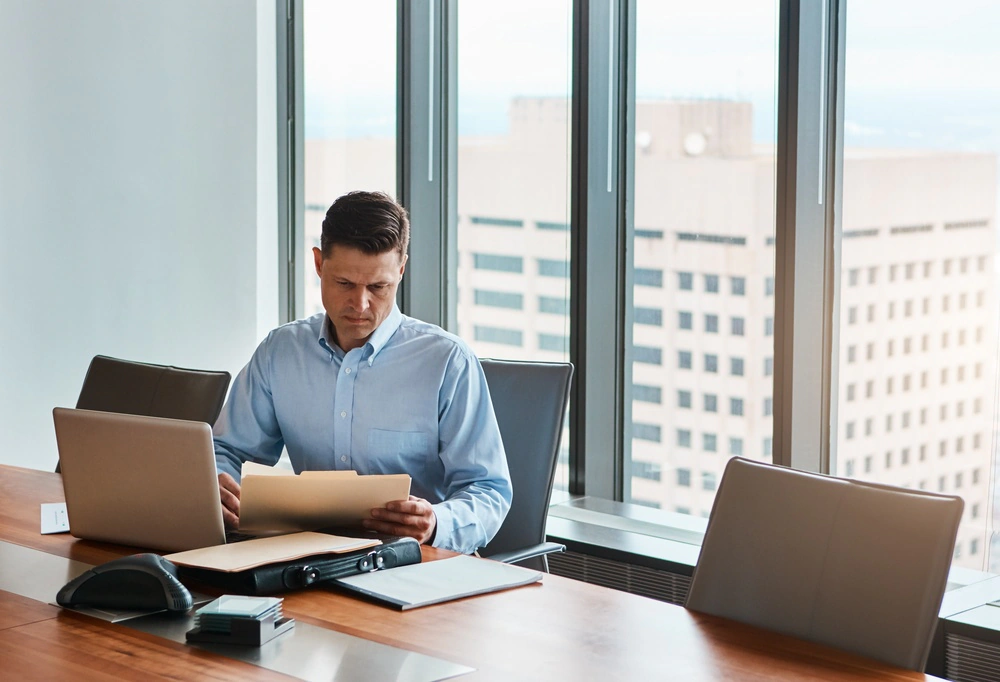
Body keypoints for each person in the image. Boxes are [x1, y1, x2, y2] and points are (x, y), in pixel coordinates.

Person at [213, 191, 512, 555]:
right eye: (344, 284)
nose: (360, 304)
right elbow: (228, 450)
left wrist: (436, 522)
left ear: (401, 270)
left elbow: (488, 490)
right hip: (308, 555)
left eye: (378, 287)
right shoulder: (281, 352)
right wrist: (218, 481)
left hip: (416, 561)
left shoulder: (448, 362)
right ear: (319, 264)